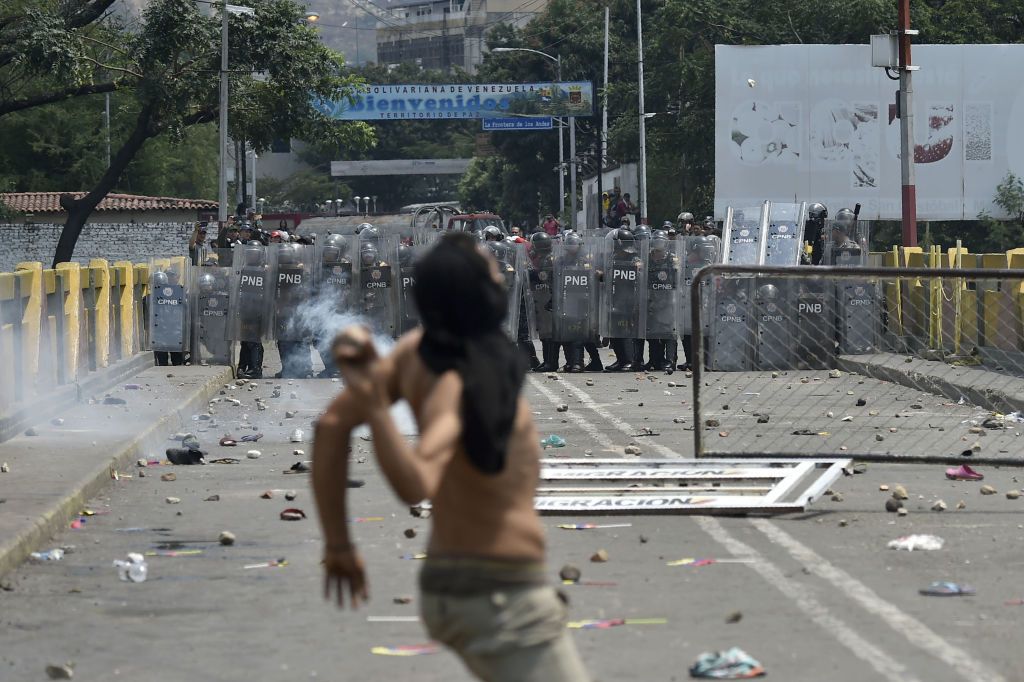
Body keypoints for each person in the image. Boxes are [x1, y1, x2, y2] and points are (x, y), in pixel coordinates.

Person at [313, 232, 591, 681]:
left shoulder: (418, 351)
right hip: (497, 592)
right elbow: (415, 482)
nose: (502, 274)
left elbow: (330, 428)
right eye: (493, 270)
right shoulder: (460, 378)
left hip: (463, 582)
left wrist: (339, 546)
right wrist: (371, 400)